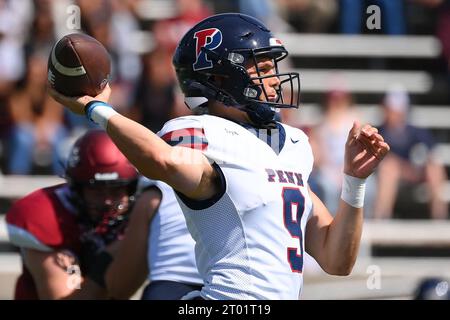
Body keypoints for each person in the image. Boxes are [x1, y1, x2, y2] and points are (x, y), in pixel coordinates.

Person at [49, 13, 390, 300]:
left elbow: (336, 259)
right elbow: (162, 161)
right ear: (219, 77)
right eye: (263, 68)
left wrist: (353, 181)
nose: (275, 81)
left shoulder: (294, 145)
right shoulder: (203, 132)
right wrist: (97, 109)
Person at [5, 130, 139, 299]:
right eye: (97, 191)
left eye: (116, 190)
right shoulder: (47, 214)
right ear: (78, 189)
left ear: (131, 188)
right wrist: (109, 257)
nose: (107, 201)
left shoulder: (143, 209)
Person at [105, 177, 203, 300]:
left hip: (171, 288)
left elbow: (119, 287)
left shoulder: (155, 194)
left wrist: (104, 258)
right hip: (230, 289)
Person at [374, 87, 448, 219]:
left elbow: (432, 154)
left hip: (416, 172)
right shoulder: (379, 131)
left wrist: (415, 168)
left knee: (435, 168)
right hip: (392, 174)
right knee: (389, 168)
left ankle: (440, 218)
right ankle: (381, 218)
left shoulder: (416, 131)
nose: (394, 113)